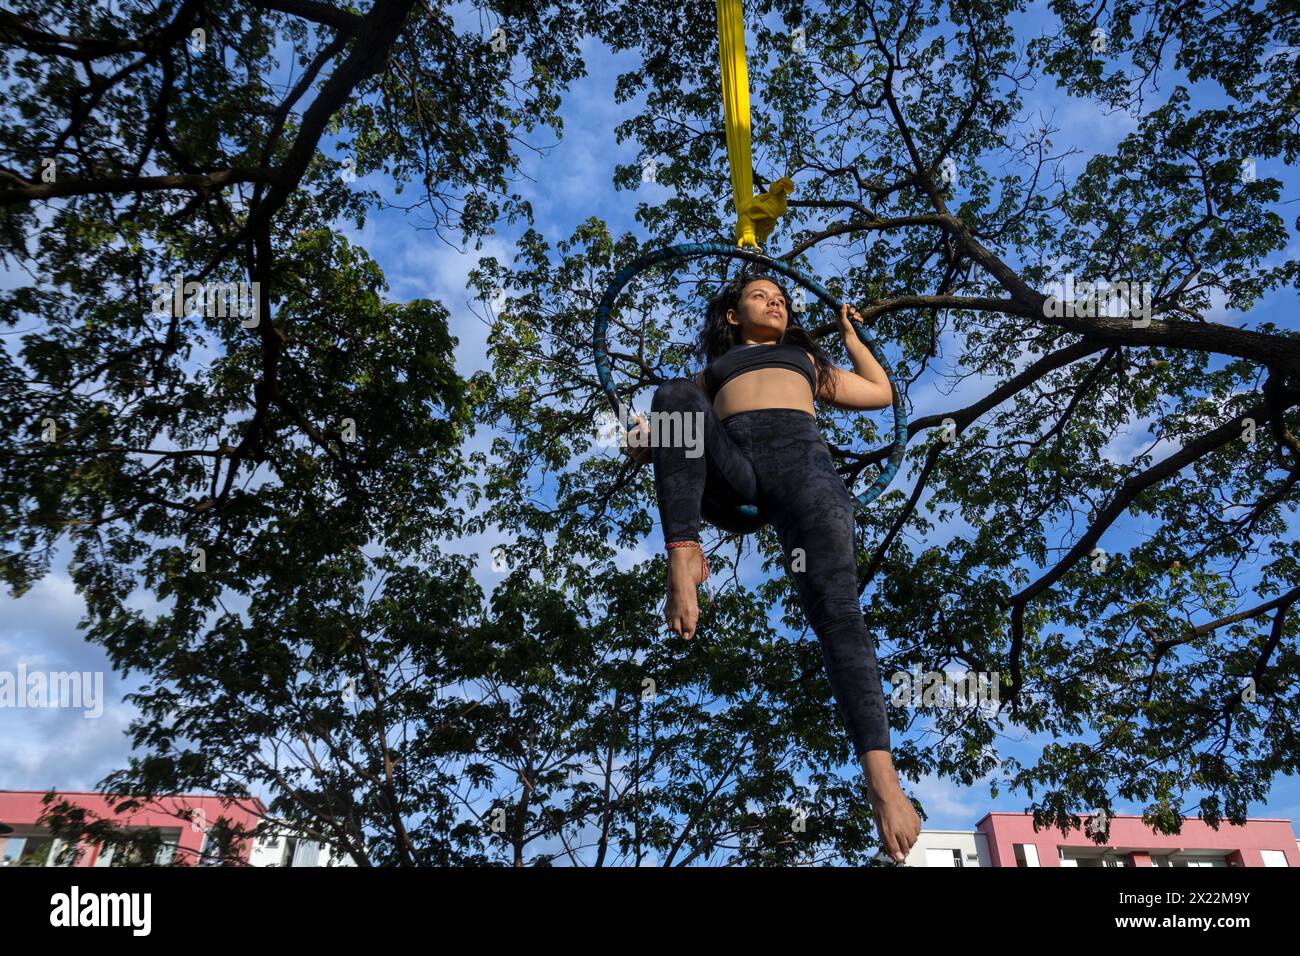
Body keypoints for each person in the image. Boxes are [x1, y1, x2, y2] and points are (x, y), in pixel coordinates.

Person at [622, 271, 921, 863]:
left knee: (839, 615)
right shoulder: (711, 375)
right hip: (734, 477)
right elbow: (667, 439)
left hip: (805, 474)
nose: (775, 302)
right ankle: (682, 557)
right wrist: (644, 438)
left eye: (781, 298)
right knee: (673, 396)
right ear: (733, 315)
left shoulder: (805, 361)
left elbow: (880, 393)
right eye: (760, 296)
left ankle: (884, 783)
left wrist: (850, 334)